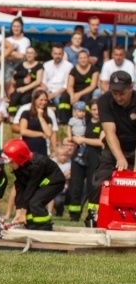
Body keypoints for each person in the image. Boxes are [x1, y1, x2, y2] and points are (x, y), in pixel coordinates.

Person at [85, 71, 136, 226]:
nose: (118, 97)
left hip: (134, 146)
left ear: (131, 87)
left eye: (122, 93)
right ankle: (93, 217)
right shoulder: (104, 100)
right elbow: (109, 132)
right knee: (99, 183)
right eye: (115, 93)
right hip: (113, 147)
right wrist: (120, 158)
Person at [2, 138, 65, 231]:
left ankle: (45, 226)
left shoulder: (37, 164)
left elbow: (31, 187)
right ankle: (31, 224)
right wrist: (19, 212)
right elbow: (20, 187)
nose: (9, 165)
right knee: (28, 203)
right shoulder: (19, 167)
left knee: (35, 202)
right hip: (39, 182)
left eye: (11, 162)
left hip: (54, 181)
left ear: (19, 158)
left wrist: (23, 212)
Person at [67, 100, 103, 221]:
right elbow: (71, 133)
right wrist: (72, 138)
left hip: (95, 157)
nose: (96, 112)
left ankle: (92, 215)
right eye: (93, 109)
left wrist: (84, 140)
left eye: (98, 109)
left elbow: (101, 142)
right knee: (75, 185)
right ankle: (74, 215)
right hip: (79, 156)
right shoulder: (84, 121)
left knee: (92, 187)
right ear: (90, 110)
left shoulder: (103, 124)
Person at [40, 43, 74, 122]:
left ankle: (59, 120)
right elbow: (43, 81)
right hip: (47, 91)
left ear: (62, 54)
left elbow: (66, 85)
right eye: (55, 54)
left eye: (59, 54)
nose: (57, 56)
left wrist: (53, 95)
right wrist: (45, 93)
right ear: (52, 54)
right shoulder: (46, 65)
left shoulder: (69, 66)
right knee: (38, 96)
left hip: (60, 92)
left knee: (57, 100)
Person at [18, 89, 55, 157]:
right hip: (28, 148)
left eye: (45, 100)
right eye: (41, 100)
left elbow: (49, 133)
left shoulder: (47, 118)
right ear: (35, 100)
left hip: (41, 151)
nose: (43, 102)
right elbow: (23, 131)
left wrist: (40, 117)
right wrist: (40, 134)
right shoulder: (26, 114)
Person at [8, 46, 43, 116]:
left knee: (25, 100)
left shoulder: (39, 66)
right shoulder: (20, 65)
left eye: (31, 53)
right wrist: (21, 82)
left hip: (31, 90)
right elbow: (13, 79)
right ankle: (12, 116)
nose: (29, 55)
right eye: (27, 53)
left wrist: (25, 88)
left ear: (35, 54)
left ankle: (25, 116)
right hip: (18, 88)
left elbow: (38, 81)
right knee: (14, 98)